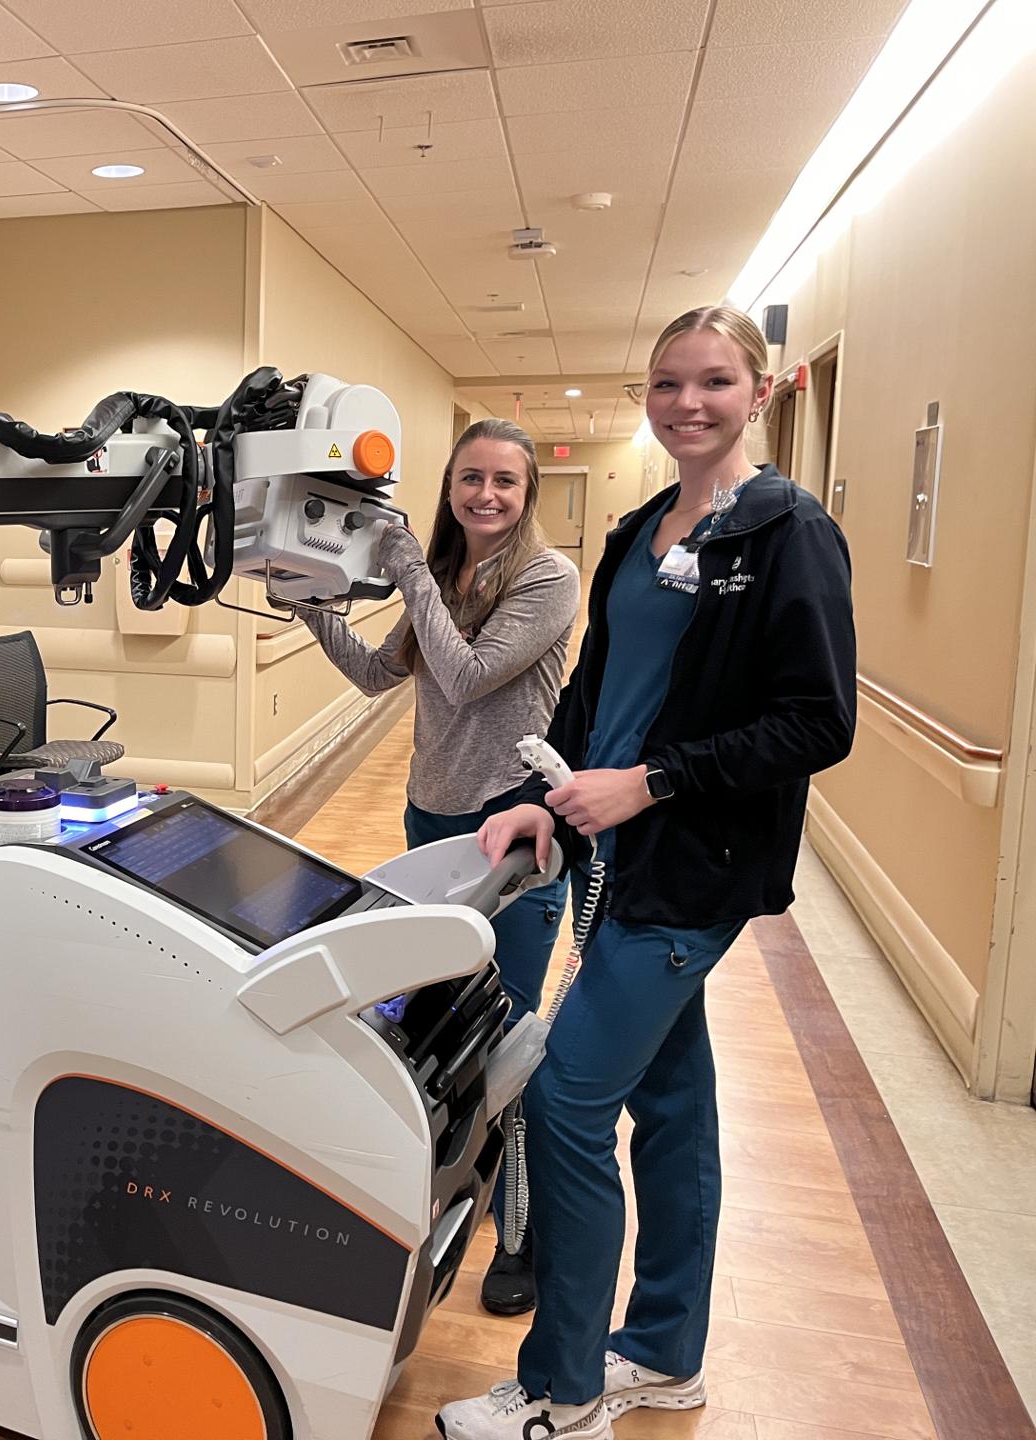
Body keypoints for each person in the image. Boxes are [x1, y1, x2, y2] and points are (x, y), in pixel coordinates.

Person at [435, 306, 856, 1440]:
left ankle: (564, 1389)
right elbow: (589, 697)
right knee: (672, 1101)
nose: (689, 404)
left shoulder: (786, 535)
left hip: (690, 873)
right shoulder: (633, 534)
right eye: (668, 383)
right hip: (608, 855)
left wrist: (652, 783)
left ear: (758, 394)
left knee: (569, 1103)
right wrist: (544, 796)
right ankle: (665, 1353)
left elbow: (817, 722)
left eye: (715, 382)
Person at [304, 417, 580, 1315]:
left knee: (516, 1034)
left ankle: (525, 1233)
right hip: (431, 818)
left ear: (528, 491)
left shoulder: (547, 577)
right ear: (450, 484)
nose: (486, 495)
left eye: (505, 480)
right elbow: (383, 675)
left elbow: (464, 678)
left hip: (513, 829)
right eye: (471, 478)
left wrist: (412, 567)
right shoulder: (446, 577)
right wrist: (308, 604)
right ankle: (445, 1176)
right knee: (443, 1017)